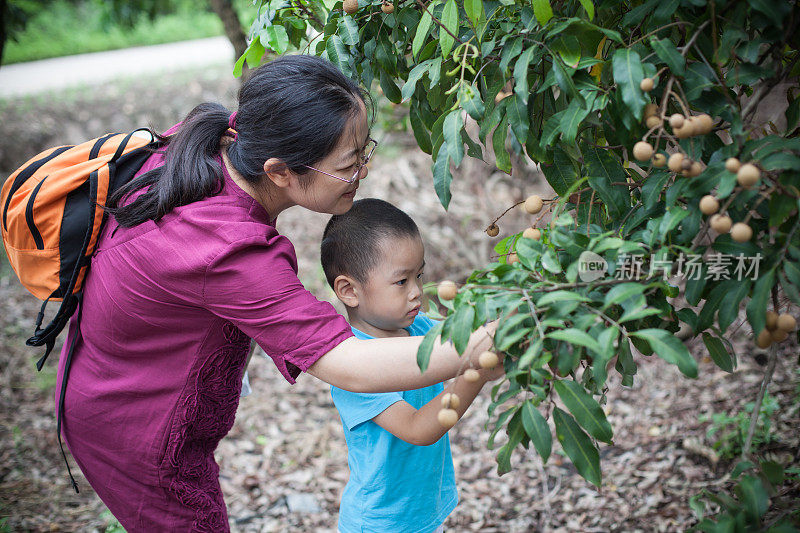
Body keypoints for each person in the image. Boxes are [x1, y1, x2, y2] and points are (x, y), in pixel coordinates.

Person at [54, 55, 496, 532]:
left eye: (364, 153)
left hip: (119, 383)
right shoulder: (226, 248)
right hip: (133, 427)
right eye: (349, 164)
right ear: (281, 171)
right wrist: (482, 345)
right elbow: (347, 362)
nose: (362, 173)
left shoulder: (224, 145)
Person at [320, 198, 502, 533]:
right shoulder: (353, 366)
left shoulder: (419, 328)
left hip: (423, 510)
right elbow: (418, 429)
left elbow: (470, 341)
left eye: (419, 276)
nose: (417, 291)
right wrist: (476, 371)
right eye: (402, 282)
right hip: (381, 523)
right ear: (349, 290)